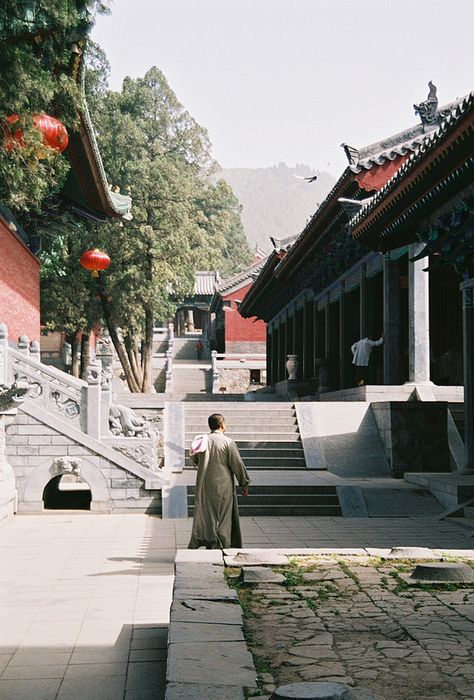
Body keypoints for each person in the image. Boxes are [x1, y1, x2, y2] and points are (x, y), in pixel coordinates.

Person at [188, 413, 250, 550]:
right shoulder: (228, 442)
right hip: (223, 484)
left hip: (204, 483)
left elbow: (194, 459)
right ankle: (222, 542)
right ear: (222, 425)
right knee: (223, 515)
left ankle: (206, 539)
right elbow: (237, 464)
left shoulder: (202, 440)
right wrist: (244, 483)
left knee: (207, 514)